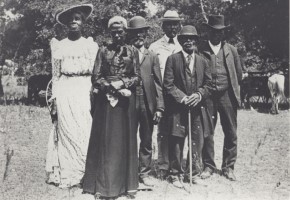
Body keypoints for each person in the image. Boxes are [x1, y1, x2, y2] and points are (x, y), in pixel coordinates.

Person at [82, 16, 140, 200]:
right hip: (106, 102)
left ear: (125, 32)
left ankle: (125, 186)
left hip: (125, 103)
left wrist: (123, 83)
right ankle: (103, 187)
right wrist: (110, 86)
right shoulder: (103, 51)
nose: (117, 35)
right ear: (110, 33)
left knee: (124, 142)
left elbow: (137, 77)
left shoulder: (132, 51)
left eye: (120, 31)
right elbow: (95, 76)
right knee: (106, 143)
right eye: (114, 31)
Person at [45, 3, 99, 188]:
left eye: (77, 19)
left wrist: (94, 92)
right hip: (66, 89)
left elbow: (95, 73)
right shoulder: (59, 46)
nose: (73, 22)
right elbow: (56, 75)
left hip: (84, 89)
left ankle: (85, 172)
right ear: (66, 24)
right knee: (66, 129)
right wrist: (54, 99)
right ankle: (68, 172)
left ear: (83, 22)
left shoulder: (90, 45)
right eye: (70, 20)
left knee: (84, 128)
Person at [163, 25, 212, 188]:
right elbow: (168, 85)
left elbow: (209, 84)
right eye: (185, 38)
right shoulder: (173, 59)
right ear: (180, 41)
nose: (188, 41)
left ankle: (193, 172)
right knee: (177, 140)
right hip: (178, 108)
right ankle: (175, 173)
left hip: (197, 109)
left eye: (192, 38)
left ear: (196, 41)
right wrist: (183, 98)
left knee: (196, 141)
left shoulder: (203, 61)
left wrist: (198, 95)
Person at [199, 15, 243, 181]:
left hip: (227, 96)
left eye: (221, 32)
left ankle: (228, 167)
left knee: (231, 131)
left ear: (224, 33)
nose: (218, 35)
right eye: (214, 31)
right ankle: (208, 166)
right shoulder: (200, 49)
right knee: (207, 132)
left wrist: (233, 92)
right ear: (208, 31)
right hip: (207, 96)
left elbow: (238, 74)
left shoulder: (231, 50)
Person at [126, 16, 164, 187]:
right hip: (129, 102)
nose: (138, 36)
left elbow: (158, 83)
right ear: (130, 35)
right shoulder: (124, 53)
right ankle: (129, 172)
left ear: (146, 34)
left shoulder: (152, 55)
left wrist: (159, 107)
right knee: (128, 137)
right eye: (135, 33)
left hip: (148, 102)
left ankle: (144, 172)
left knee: (146, 139)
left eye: (141, 32)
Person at [148, 10, 183, 179]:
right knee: (162, 131)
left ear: (179, 25)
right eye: (168, 24)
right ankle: (162, 166)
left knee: (177, 131)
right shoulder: (154, 47)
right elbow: (152, 75)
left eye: (175, 24)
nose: (172, 27)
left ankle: (176, 166)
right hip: (161, 95)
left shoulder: (184, 45)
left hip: (178, 96)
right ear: (163, 26)